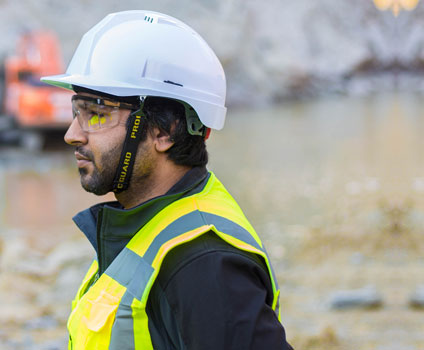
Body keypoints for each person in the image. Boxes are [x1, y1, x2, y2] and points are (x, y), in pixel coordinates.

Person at [42, 10, 292, 349]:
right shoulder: (141, 226)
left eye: (97, 114)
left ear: (164, 132)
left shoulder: (204, 263)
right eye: (77, 111)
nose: (73, 134)